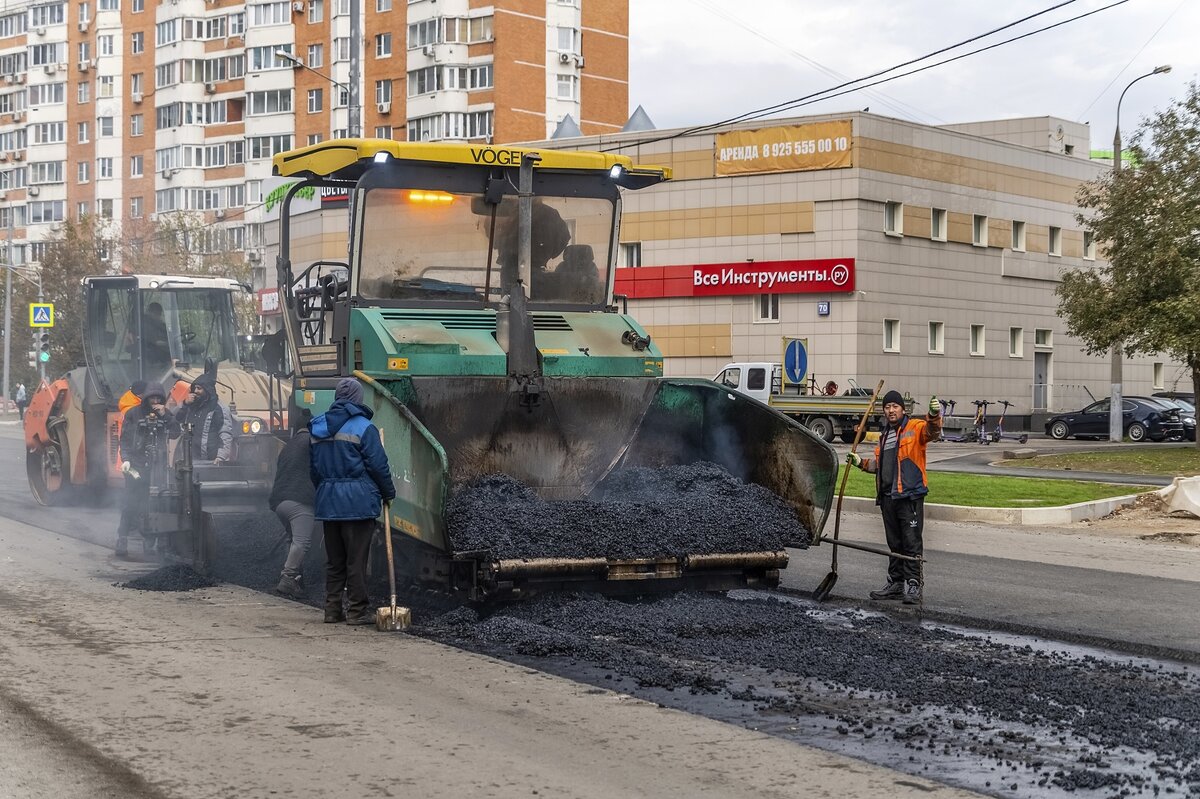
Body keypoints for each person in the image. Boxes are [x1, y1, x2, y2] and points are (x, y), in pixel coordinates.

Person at [309, 377, 395, 625]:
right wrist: (388, 492)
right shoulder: (363, 427)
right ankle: (357, 611)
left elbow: (314, 471)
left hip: (329, 503)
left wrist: (326, 491)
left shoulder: (318, 427)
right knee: (356, 561)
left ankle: (332, 610)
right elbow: (378, 466)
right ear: (358, 399)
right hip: (358, 504)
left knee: (335, 561)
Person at [846, 390, 942, 605]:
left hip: (909, 496)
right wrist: (860, 462)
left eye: (895, 406)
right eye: (887, 407)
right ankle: (896, 584)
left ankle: (914, 585)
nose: (891, 410)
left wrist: (934, 415)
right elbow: (880, 466)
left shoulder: (915, 428)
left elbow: (932, 432)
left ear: (903, 409)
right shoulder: (885, 435)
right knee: (895, 543)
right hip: (888, 496)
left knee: (911, 542)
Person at [116, 382, 180, 558]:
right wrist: (126, 459)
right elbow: (125, 440)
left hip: (156, 466)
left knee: (151, 505)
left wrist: (165, 416)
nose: (155, 401)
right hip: (135, 466)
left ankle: (149, 541)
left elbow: (175, 432)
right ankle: (122, 538)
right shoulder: (133, 414)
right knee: (130, 503)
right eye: (152, 398)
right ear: (146, 398)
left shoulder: (164, 414)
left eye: (159, 398)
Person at [269, 410, 318, 600]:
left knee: (292, 539)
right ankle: (287, 579)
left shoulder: (289, 445)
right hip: (299, 501)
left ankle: (297, 580)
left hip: (279, 502)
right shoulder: (311, 442)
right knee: (302, 541)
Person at [175, 372, 233, 464]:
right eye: (195, 388)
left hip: (211, 462)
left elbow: (225, 434)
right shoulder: (190, 406)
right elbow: (175, 418)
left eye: (199, 388)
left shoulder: (219, 408)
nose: (196, 391)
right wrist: (185, 403)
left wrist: (221, 457)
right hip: (190, 461)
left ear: (207, 390)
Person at [141, 301, 172, 369]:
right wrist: (170, 344)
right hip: (152, 358)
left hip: (160, 355)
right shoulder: (145, 325)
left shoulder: (160, 325)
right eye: (156, 313)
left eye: (159, 313)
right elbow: (156, 342)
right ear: (150, 312)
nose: (158, 316)